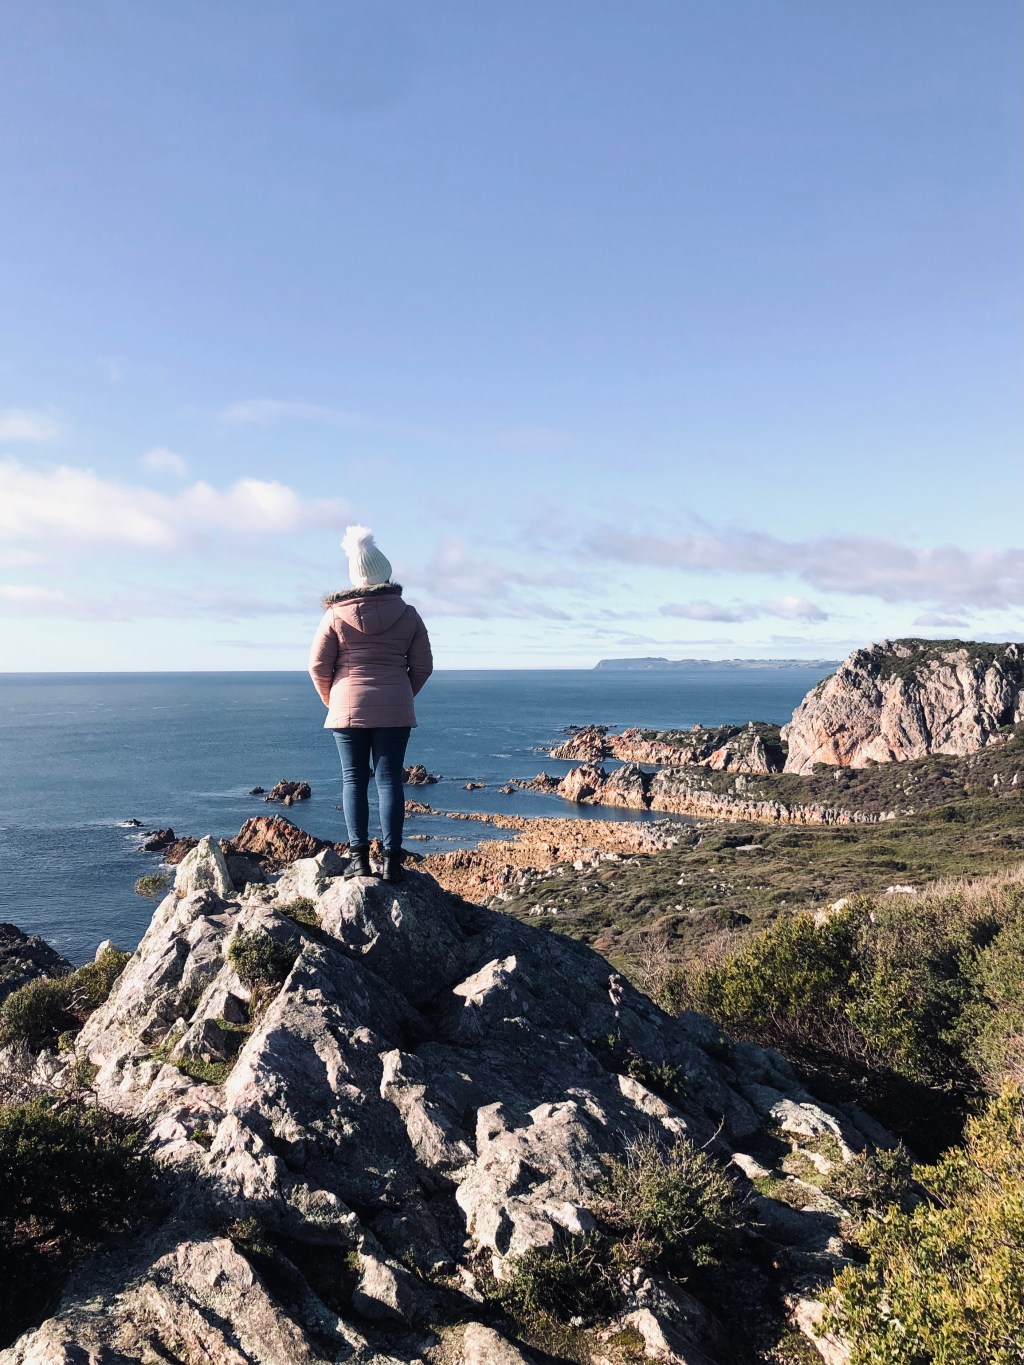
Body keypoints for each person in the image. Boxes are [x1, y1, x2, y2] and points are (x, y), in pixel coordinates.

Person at [308, 526, 433, 883]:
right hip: (395, 707)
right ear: (386, 572)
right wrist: (400, 695)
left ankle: (359, 860)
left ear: (355, 577)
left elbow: (318, 666)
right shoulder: (409, 614)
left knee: (353, 779)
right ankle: (393, 863)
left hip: (346, 709)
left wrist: (334, 702)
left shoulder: (334, 615)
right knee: (390, 779)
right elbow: (423, 666)